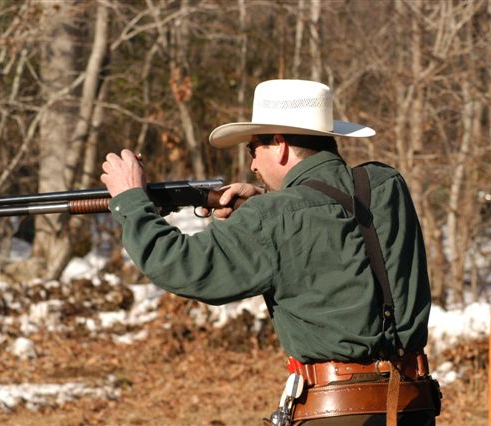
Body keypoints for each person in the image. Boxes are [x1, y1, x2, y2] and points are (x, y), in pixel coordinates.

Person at [101, 79, 440, 425]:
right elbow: (337, 230)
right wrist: (265, 204)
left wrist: (130, 200)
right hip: (413, 405)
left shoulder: (272, 218)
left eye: (253, 150)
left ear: (279, 145)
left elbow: (179, 265)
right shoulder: (387, 185)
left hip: (337, 412)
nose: (252, 166)